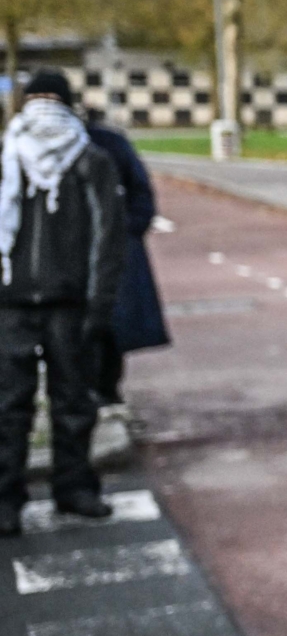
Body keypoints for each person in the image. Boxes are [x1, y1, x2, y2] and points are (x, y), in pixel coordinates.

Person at [0, 70, 125, 531]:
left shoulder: (91, 161)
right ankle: (5, 499)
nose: (44, 110)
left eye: (53, 100)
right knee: (8, 404)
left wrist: (100, 303)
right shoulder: (5, 157)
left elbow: (108, 238)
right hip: (10, 301)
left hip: (71, 303)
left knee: (73, 402)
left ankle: (75, 488)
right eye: (37, 99)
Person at [83, 109, 168, 423]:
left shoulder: (110, 144)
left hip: (113, 249)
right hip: (68, 253)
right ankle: (90, 392)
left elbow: (139, 191)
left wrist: (130, 228)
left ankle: (106, 389)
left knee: (110, 320)